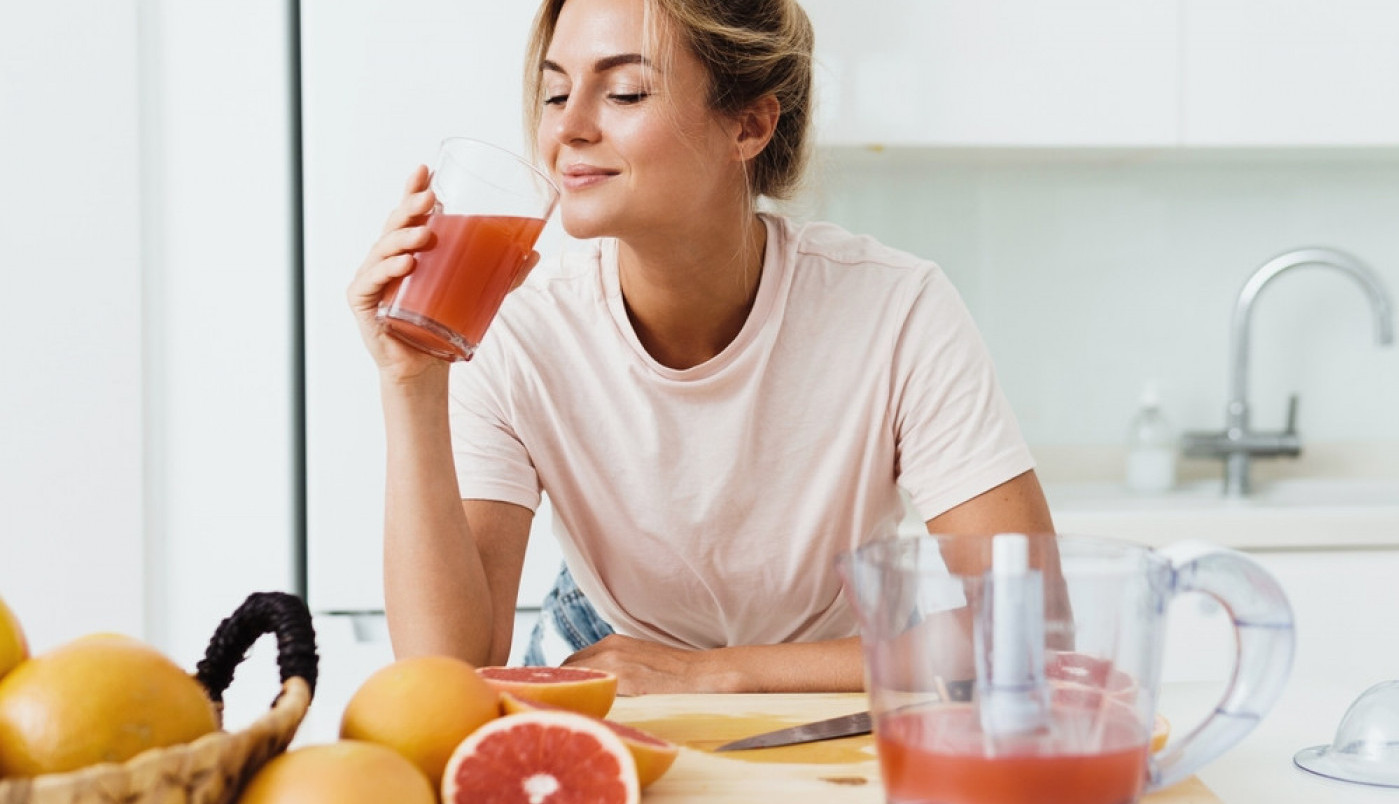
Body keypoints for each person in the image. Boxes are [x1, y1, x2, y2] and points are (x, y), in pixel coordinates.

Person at [348, 0, 1054, 695]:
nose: (567, 126)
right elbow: (448, 672)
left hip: (843, 677)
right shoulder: (516, 329)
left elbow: (1032, 625)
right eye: (554, 92)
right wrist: (410, 385)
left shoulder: (895, 309)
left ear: (748, 124)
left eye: (623, 91)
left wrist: (715, 672)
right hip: (603, 673)